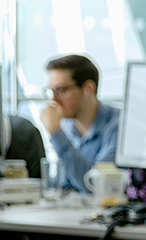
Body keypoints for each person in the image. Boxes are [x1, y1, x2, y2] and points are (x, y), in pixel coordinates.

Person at [41, 54, 120, 193]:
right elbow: (64, 186)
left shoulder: (118, 127)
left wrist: (55, 133)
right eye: (50, 91)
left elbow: (96, 186)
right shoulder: (68, 127)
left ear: (88, 89)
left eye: (60, 90)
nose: (53, 99)